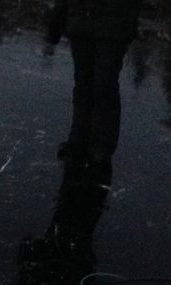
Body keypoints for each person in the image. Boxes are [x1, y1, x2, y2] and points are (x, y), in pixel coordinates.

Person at [46, 0, 142, 167]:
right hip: (81, 22)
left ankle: (101, 147)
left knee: (104, 85)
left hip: (113, 25)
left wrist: (128, 22)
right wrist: (56, 25)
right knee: (83, 84)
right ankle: (78, 140)